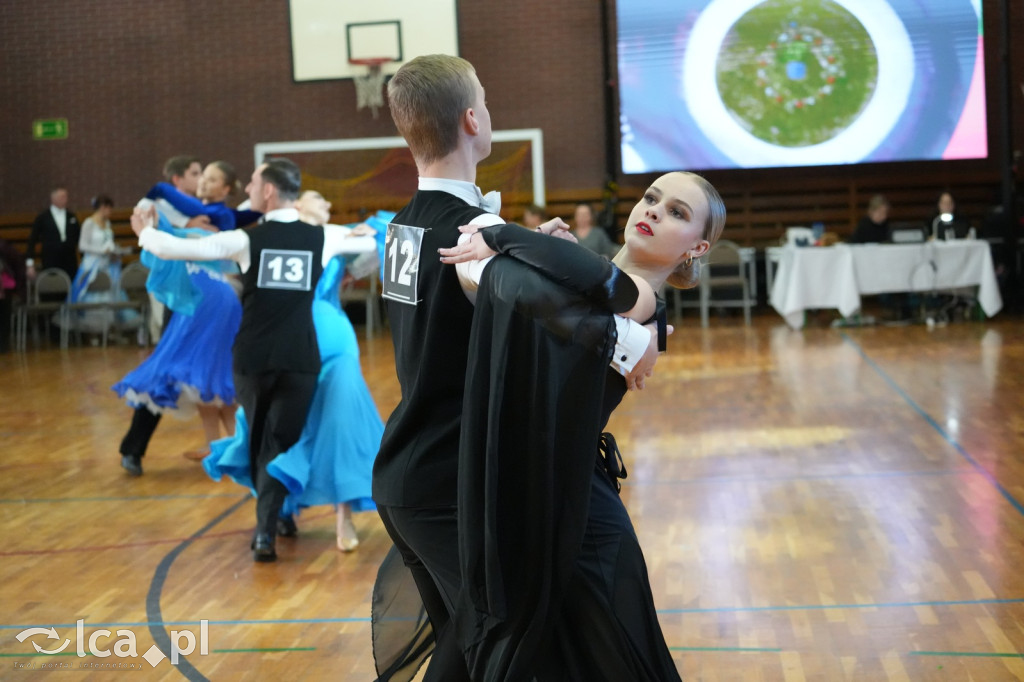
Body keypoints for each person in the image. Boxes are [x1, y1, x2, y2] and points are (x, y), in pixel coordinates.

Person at [370, 54, 660, 682]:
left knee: (469, 654)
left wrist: (527, 245)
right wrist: (632, 338)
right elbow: (551, 311)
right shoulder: (476, 231)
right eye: (487, 101)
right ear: (473, 120)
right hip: (452, 481)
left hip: (406, 470)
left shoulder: (402, 227)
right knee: (508, 650)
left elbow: (472, 309)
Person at [128, 158, 377, 562]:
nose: (246, 190)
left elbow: (178, 249)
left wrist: (147, 234)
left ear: (269, 191)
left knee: (262, 441)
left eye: (254, 183)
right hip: (301, 358)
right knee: (280, 442)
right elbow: (371, 245)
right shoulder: (325, 237)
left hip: (253, 360)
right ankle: (272, 524)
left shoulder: (246, 240)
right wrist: (375, 230)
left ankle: (267, 530)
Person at [203, 189, 382, 553]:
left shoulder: (338, 237)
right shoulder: (276, 238)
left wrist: (373, 231)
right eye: (321, 198)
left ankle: (342, 515)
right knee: (282, 430)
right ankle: (281, 507)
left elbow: (387, 241)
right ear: (295, 204)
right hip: (290, 344)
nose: (329, 204)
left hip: (335, 345)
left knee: (340, 423)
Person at [112, 160, 243, 476]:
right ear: (178, 179)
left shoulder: (213, 212)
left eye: (207, 176)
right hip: (181, 297)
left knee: (191, 374)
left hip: (204, 300)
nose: (201, 181)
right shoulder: (168, 206)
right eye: (197, 175)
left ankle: (230, 448)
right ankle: (139, 448)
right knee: (169, 371)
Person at [68, 194, 135, 335]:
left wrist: (114, 253)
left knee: (110, 295)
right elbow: (82, 245)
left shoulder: (107, 224)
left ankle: (109, 329)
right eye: (109, 209)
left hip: (108, 265)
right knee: (94, 295)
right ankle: (93, 331)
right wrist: (101, 251)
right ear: (103, 207)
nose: (110, 212)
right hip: (93, 265)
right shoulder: (89, 223)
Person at [27, 186, 82, 280]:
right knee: (52, 288)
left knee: (71, 287)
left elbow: (79, 239)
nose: (65, 199)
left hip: (70, 261)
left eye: (66, 197)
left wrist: (83, 260)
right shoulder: (43, 217)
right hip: (50, 260)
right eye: (62, 197)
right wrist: (30, 264)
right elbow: (32, 240)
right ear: (53, 199)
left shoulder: (71, 217)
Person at [0, 237, 27, 353]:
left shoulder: (4, 246)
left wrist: (19, 288)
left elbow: (19, 263)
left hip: (6, 286)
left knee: (4, 315)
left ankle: (3, 344)